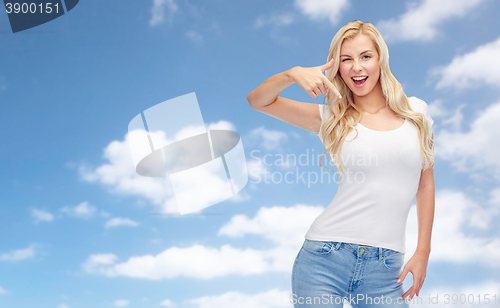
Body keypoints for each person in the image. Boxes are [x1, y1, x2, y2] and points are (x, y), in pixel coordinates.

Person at [246, 20, 435, 307]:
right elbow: (258, 101)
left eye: (365, 57)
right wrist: (292, 74)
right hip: (324, 259)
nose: (357, 67)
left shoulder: (416, 112)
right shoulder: (332, 118)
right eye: (347, 59)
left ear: (380, 59)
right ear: (338, 68)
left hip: (385, 271)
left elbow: (425, 183)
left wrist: (423, 251)